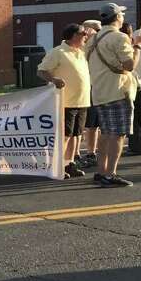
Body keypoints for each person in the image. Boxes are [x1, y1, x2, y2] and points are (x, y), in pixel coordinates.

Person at [87, 3, 139, 186]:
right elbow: (129, 65)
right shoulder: (119, 37)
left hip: (99, 91)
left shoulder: (92, 39)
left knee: (105, 133)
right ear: (117, 17)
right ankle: (111, 174)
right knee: (117, 135)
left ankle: (101, 172)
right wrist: (137, 47)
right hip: (117, 91)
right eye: (122, 14)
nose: (123, 17)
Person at [38, 23, 93, 177]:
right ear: (74, 35)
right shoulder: (58, 52)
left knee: (76, 135)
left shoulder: (81, 52)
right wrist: (54, 79)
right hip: (66, 102)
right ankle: (57, 166)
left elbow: (94, 39)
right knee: (65, 135)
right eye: (83, 34)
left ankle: (69, 164)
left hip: (82, 101)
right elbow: (41, 70)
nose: (86, 37)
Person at [76, 19, 104, 167]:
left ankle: (92, 152)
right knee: (83, 125)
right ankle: (76, 154)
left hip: (99, 87)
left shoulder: (100, 45)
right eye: (97, 30)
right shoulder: (81, 47)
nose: (99, 33)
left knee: (95, 124)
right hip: (85, 89)